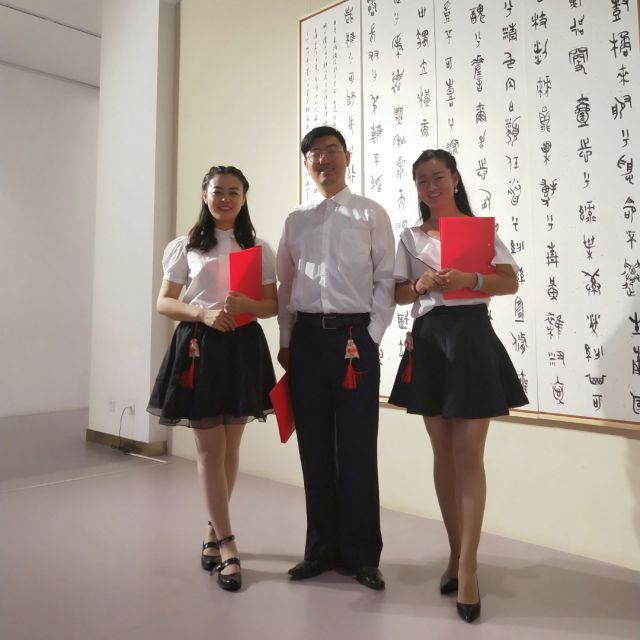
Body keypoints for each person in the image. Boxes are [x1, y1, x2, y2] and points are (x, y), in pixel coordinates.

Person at [388, 149, 528, 622]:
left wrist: (471, 277)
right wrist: (421, 285)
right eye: (422, 180)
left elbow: (509, 282)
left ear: (455, 179)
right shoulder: (409, 237)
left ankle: (468, 569)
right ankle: (454, 553)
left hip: (471, 338)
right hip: (429, 341)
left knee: (469, 456)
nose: (431, 187)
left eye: (438, 177)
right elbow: (396, 293)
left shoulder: (477, 230)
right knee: (443, 455)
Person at [147, 165, 277, 592]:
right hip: (200, 345)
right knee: (209, 450)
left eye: (233, 192)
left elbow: (272, 306)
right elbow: (165, 302)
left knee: (230, 449)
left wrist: (247, 304)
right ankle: (228, 545)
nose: (225, 198)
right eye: (218, 191)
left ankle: (211, 530)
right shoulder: (186, 246)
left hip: (242, 346)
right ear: (205, 195)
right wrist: (202, 313)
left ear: (244, 198)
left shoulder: (257, 247)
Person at [277, 126, 395, 591]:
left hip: (353, 339)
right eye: (314, 153)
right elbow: (286, 284)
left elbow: (385, 278)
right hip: (307, 339)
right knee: (315, 447)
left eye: (331, 151)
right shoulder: (296, 220)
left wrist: (372, 335)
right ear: (306, 163)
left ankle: (362, 555)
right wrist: (287, 339)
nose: (323, 159)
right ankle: (320, 549)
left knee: (358, 447)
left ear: (347, 156)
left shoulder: (370, 213)